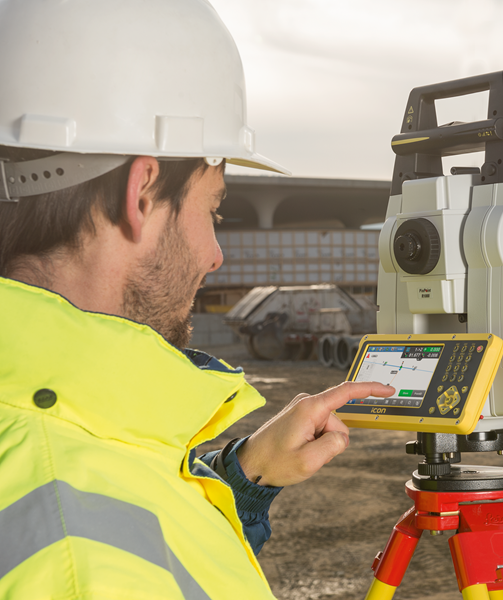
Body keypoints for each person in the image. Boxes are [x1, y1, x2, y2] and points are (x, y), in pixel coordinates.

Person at [0, 0, 392, 598]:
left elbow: (136, 533)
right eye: (215, 210)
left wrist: (247, 475)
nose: (216, 255)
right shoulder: (78, 562)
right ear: (142, 191)